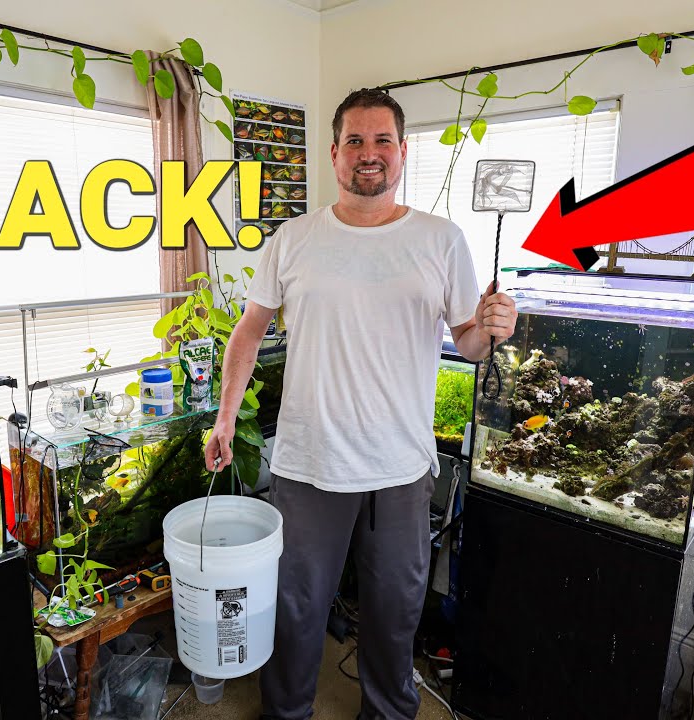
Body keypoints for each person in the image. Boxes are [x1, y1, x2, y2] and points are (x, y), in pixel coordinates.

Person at [203, 87, 518, 720]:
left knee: (395, 610)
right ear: (334, 153)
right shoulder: (294, 238)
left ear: (402, 151)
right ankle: (286, 713)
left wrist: (493, 329)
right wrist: (226, 417)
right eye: (354, 140)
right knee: (296, 607)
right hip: (308, 462)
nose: (367, 153)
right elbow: (249, 330)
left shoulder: (441, 239)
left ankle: (389, 712)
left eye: (381, 141)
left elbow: (468, 340)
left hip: (400, 467)